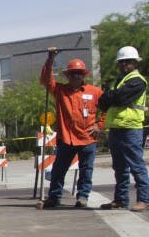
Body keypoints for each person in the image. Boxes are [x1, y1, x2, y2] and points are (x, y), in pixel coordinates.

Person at [36, 50, 102, 210]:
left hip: (88, 138)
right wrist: (50, 59)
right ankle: (54, 197)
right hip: (67, 138)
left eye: (79, 73)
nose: (76, 76)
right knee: (59, 170)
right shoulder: (60, 90)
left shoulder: (94, 92)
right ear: (67, 76)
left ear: (83, 75)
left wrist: (99, 125)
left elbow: (107, 108)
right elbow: (45, 79)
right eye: (73, 73)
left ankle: (82, 197)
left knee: (86, 170)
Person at [98, 46, 149, 212]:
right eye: (121, 62)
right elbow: (102, 101)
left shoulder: (137, 81)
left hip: (130, 129)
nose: (123, 65)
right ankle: (120, 199)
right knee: (119, 168)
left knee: (136, 166)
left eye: (127, 62)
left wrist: (111, 95)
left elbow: (119, 98)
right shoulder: (119, 81)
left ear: (135, 63)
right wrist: (112, 96)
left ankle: (144, 200)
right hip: (115, 128)